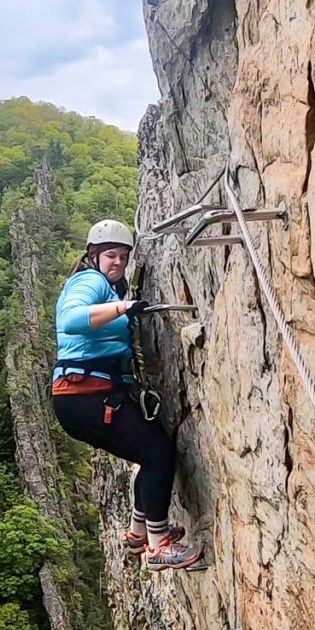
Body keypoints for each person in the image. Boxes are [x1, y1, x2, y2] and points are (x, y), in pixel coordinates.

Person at [51, 218, 203, 570]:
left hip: (85, 397)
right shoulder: (89, 281)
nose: (117, 262)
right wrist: (122, 308)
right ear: (94, 255)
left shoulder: (107, 287)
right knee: (156, 452)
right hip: (87, 395)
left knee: (149, 451)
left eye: (122, 256)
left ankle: (138, 533)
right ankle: (158, 545)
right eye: (110, 256)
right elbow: (71, 320)